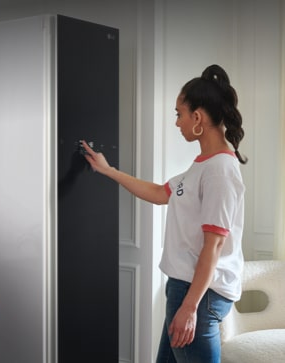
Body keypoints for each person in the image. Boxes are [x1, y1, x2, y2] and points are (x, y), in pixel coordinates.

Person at [81, 64, 246, 363]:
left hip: (199, 292)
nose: (177, 122)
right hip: (185, 287)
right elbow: (160, 193)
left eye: (178, 114)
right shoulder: (202, 165)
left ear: (197, 117)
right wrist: (108, 171)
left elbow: (215, 245)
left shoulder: (220, 170)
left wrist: (190, 306)